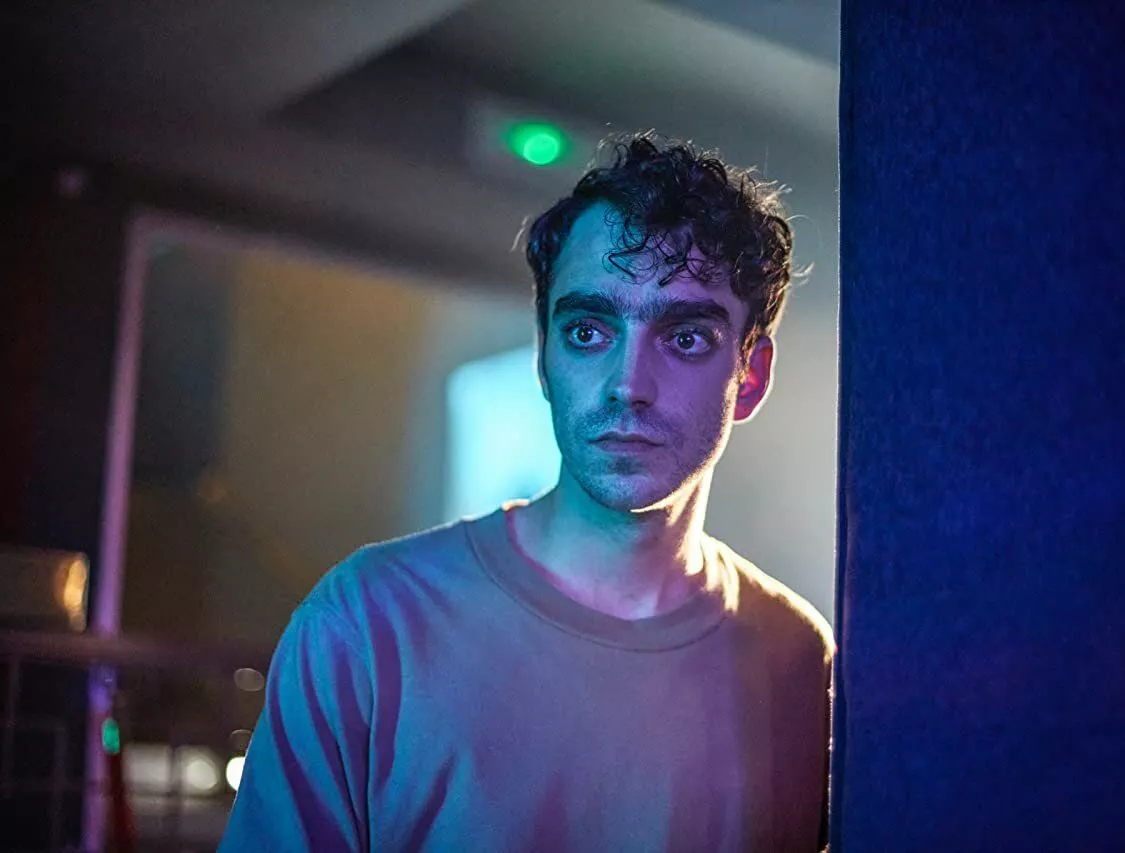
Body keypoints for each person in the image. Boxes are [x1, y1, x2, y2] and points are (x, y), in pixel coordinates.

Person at [219, 131, 834, 852]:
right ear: (544, 358)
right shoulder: (366, 625)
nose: (628, 386)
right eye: (587, 331)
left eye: (685, 338)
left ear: (750, 376)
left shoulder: (798, 659)